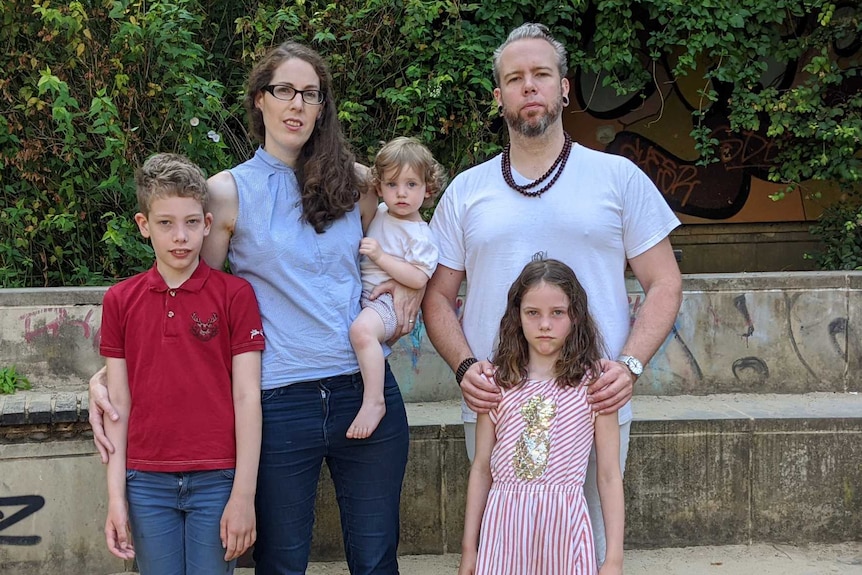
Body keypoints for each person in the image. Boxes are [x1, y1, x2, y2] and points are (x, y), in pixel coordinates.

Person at [90, 42, 422, 574]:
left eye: (310, 94)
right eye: (283, 90)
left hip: (364, 391)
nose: (297, 104)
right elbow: (198, 293)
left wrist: (415, 291)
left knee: (378, 558)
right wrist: (107, 373)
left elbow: (414, 242)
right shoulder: (226, 194)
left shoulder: (358, 184)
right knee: (280, 562)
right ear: (259, 100)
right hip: (279, 401)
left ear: (322, 107)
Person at [422, 22, 682, 565]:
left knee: (583, 553)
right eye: (515, 78)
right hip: (499, 402)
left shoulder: (619, 177)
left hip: (591, 402)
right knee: (504, 548)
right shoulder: (467, 191)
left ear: (564, 87)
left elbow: (664, 282)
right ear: (499, 97)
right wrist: (465, 365)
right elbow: (437, 297)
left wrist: (629, 365)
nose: (529, 86)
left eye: (542, 74)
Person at [100, 153, 265, 574]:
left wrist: (243, 494)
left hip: (216, 478)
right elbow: (118, 402)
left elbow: (247, 396)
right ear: (143, 226)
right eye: (165, 223)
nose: (180, 236)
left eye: (192, 222)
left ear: (208, 224)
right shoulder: (120, 300)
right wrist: (116, 498)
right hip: (146, 480)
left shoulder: (235, 295)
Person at [458, 257, 624, 575]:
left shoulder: (595, 386)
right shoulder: (496, 383)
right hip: (504, 533)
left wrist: (614, 558)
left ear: (575, 316)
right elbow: (481, 470)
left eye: (557, 313)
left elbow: (608, 475)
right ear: (517, 316)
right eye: (533, 313)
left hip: (565, 531)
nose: (545, 324)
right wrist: (470, 549)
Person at [347, 136, 444, 439]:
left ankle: (374, 400)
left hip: (388, 303)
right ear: (379, 187)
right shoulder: (381, 211)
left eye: (411, 185)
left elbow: (418, 279)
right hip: (366, 296)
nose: (401, 193)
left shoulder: (419, 235)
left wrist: (380, 257)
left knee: (362, 333)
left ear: (428, 189)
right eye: (391, 185)